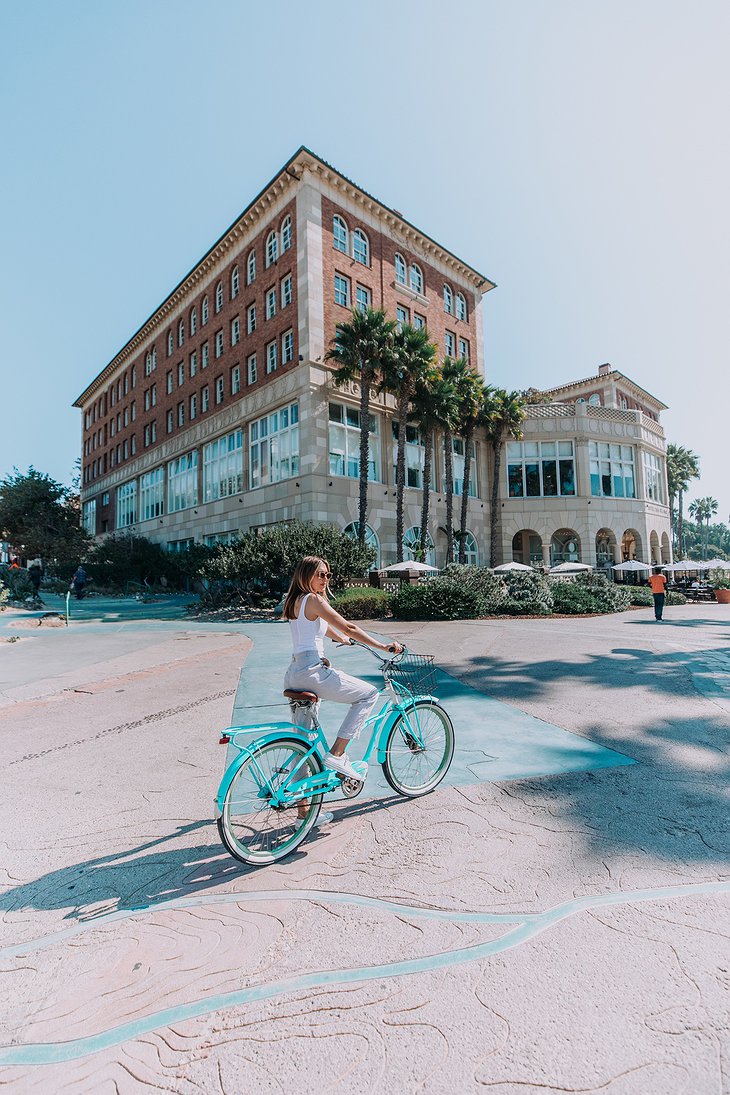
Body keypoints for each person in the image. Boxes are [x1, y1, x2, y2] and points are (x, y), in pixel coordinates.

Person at [282, 556, 403, 786]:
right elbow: (347, 626)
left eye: (328, 575)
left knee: (302, 744)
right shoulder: (314, 599)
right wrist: (381, 645)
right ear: (305, 574)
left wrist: (344, 640)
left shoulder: (295, 601)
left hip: (294, 673)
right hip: (311, 672)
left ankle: (302, 816)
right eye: (320, 574)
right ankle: (337, 755)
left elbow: (324, 630)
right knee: (369, 694)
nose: (325, 579)